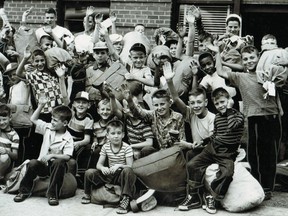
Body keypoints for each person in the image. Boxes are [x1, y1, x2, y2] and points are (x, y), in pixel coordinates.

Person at [216, 45, 281, 200]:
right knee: (254, 154)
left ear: (258, 57)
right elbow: (220, 72)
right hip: (254, 119)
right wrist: (218, 52)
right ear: (242, 62)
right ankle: (258, 186)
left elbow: (278, 87)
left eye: (252, 57)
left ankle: (267, 188)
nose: (249, 61)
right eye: (245, 59)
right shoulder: (240, 77)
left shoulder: (268, 73)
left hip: (272, 117)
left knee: (270, 155)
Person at [178, 87, 244, 214]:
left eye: (223, 102)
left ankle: (211, 195)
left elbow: (232, 126)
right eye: (217, 103)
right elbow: (215, 135)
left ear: (229, 101)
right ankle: (194, 196)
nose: (220, 106)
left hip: (227, 153)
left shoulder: (237, 116)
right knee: (193, 164)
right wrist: (204, 141)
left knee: (228, 172)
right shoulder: (218, 118)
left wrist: (230, 108)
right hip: (212, 149)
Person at [13, 98, 74, 206]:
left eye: (55, 120)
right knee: (32, 163)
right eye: (52, 119)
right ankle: (24, 191)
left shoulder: (68, 138)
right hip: (44, 166)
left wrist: (52, 155)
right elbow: (33, 119)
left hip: (56, 169)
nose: (52, 122)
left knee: (58, 161)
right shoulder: (48, 128)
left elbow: (68, 156)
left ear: (65, 123)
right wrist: (41, 105)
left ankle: (52, 194)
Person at [81, 119, 137, 214]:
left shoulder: (127, 147)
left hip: (120, 176)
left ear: (123, 135)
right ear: (107, 136)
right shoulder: (105, 147)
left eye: (119, 133)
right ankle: (87, 194)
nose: (116, 136)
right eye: (113, 133)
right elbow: (98, 164)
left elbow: (130, 166)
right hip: (109, 175)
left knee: (127, 171)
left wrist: (119, 166)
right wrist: (103, 168)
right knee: (89, 172)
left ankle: (126, 199)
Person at [163, 61, 215, 156]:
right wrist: (169, 81)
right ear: (189, 104)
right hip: (197, 151)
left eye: (199, 102)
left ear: (206, 102)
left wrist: (188, 145)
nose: (196, 106)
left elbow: (212, 143)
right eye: (192, 103)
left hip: (210, 153)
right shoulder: (191, 113)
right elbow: (176, 98)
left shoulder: (212, 118)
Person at [123, 85, 185, 155]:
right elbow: (138, 113)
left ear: (170, 103)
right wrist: (129, 101)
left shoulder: (178, 117)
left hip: (175, 152)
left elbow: (182, 140)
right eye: (156, 105)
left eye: (162, 104)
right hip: (159, 153)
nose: (159, 108)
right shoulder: (152, 115)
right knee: (147, 150)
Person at [67, 91, 93, 176]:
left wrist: (78, 143)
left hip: (78, 143)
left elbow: (87, 139)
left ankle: (78, 173)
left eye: (84, 103)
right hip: (67, 140)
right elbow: (64, 97)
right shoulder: (71, 113)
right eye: (78, 102)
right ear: (74, 104)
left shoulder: (88, 119)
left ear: (89, 105)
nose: (81, 105)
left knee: (86, 149)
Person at [0, 104, 19, 182]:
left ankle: (0, 177)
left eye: (4, 119)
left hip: (4, 164)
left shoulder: (14, 135)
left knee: (4, 157)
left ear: (10, 118)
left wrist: (6, 151)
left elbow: (15, 156)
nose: (1, 122)